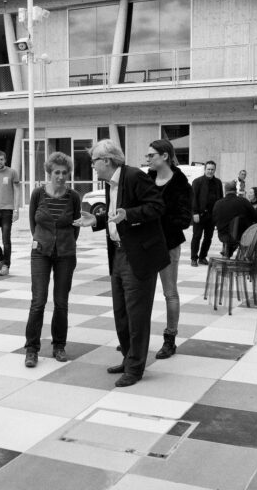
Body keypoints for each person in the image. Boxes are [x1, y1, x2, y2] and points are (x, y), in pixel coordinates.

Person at [74, 139, 169, 387]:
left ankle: (136, 368)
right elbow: (117, 213)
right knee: (121, 314)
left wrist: (130, 215)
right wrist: (97, 221)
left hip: (138, 255)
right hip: (117, 254)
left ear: (106, 160)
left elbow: (157, 206)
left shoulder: (135, 176)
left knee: (137, 316)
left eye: (94, 161)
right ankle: (129, 359)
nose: (92, 166)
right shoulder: (111, 183)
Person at [23, 152, 81, 368]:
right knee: (38, 301)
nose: (60, 176)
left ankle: (59, 345)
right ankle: (31, 349)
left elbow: (76, 226)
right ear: (49, 172)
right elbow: (33, 223)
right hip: (40, 253)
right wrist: (42, 240)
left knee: (61, 302)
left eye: (64, 172)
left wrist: (64, 243)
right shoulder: (38, 194)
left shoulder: (73, 196)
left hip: (66, 254)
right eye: (56, 172)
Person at [146, 140, 192, 360]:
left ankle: (169, 339)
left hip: (168, 244)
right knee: (141, 292)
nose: (148, 159)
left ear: (164, 156)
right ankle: (138, 337)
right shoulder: (147, 179)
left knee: (169, 292)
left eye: (151, 155)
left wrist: (159, 218)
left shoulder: (181, 183)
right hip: (145, 244)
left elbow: (184, 219)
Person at [190, 161, 223, 267]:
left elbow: (220, 199)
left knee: (208, 238)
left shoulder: (218, 182)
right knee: (197, 236)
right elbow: (193, 198)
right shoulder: (197, 182)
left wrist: (218, 215)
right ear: (205, 169)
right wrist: (195, 213)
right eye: (208, 169)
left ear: (215, 170)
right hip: (199, 215)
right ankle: (194, 258)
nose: (210, 171)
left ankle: (202, 257)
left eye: (212, 169)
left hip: (212, 216)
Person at [213, 181, 257, 258]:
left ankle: (226, 253)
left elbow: (214, 220)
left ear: (225, 191)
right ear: (236, 190)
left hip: (223, 235)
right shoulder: (243, 201)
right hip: (241, 235)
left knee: (229, 238)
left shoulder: (218, 203)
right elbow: (255, 216)